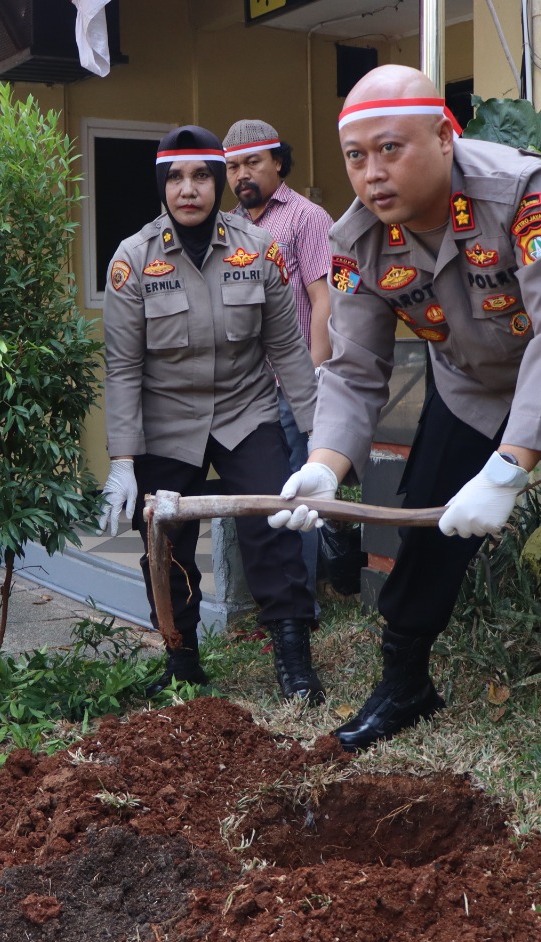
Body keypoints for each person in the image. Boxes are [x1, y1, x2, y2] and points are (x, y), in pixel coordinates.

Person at [270, 66, 541, 823]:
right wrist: (325, 465)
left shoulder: (522, 193)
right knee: (426, 513)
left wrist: (513, 467)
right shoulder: (357, 238)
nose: (371, 173)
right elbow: (354, 369)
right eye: (355, 157)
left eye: (389, 149)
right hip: (475, 381)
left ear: (445, 137)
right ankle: (406, 682)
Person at [101, 125, 324, 705]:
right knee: (164, 540)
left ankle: (294, 659)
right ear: (161, 185)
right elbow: (122, 367)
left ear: (219, 181)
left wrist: (323, 444)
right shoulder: (132, 260)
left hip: (245, 412)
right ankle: (183, 660)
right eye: (175, 177)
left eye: (202, 175)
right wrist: (122, 461)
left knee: (273, 526)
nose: (189, 188)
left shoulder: (258, 250)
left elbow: (289, 354)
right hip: (166, 422)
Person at [224, 119, 335, 599]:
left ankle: (300, 605)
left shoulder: (306, 218)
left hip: (292, 384)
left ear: (278, 163)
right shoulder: (228, 226)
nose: (242, 175)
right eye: (232, 167)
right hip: (245, 389)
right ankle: (273, 601)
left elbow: (324, 299)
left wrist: (309, 379)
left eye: (252, 163)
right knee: (262, 496)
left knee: (293, 495)